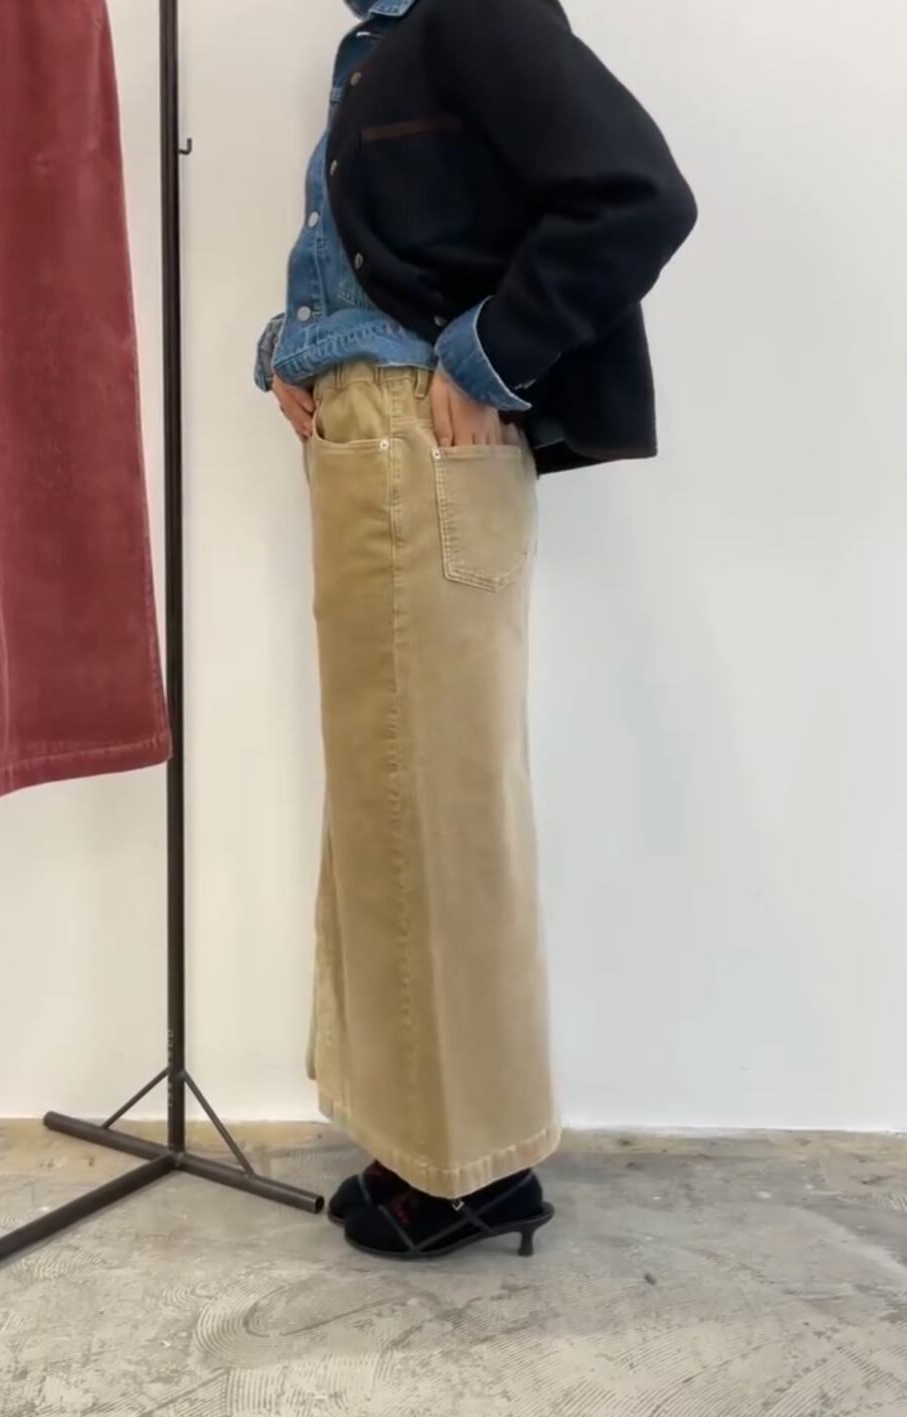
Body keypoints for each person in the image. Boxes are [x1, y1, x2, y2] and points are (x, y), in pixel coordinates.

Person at [256, 0, 696, 1261]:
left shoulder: (469, 9)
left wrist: (490, 353)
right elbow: (396, 246)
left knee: (429, 805)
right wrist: (293, 348)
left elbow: (637, 195)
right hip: (379, 437)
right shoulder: (386, 40)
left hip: (415, 441)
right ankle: (445, 1148)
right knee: (400, 801)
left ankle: (461, 1169)